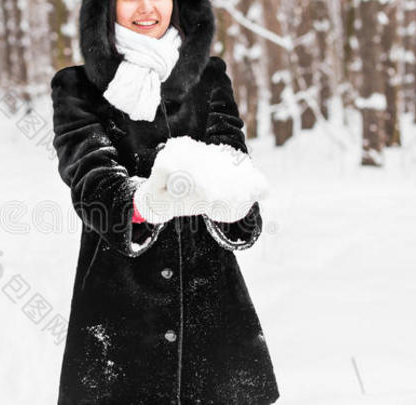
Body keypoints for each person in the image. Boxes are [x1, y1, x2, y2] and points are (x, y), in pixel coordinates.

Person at [50, 0, 280, 403]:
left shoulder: (209, 80)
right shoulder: (77, 88)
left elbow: (235, 167)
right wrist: (144, 204)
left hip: (213, 332)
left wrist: (233, 205)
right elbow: (91, 180)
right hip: (119, 330)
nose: (145, 7)